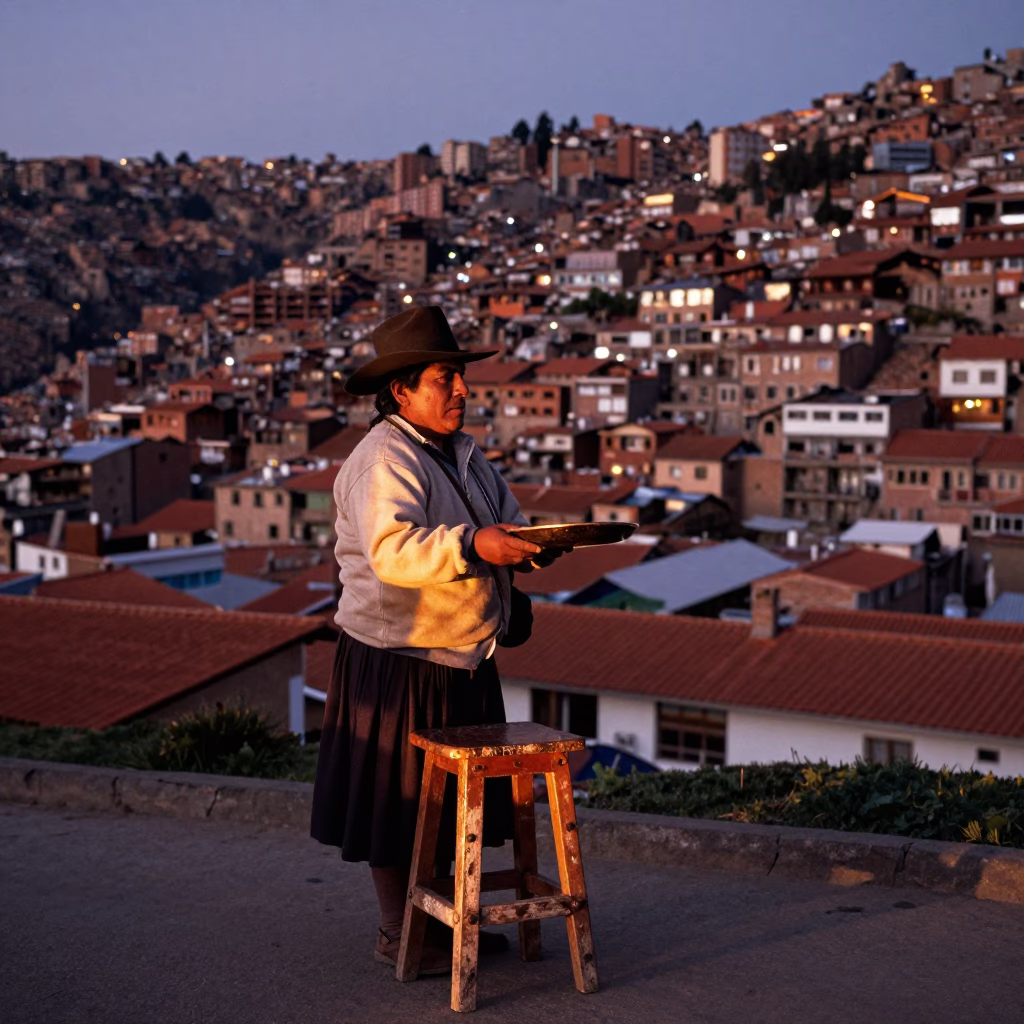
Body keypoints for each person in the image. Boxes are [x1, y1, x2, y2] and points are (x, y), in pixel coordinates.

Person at [310, 306, 559, 975]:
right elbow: (394, 553)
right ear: (401, 389)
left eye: (459, 379)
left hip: (464, 652)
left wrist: (529, 549)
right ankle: (401, 933)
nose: (461, 390)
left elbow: (504, 519)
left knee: (448, 808)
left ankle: (441, 919)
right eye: (445, 379)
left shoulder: (465, 455)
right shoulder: (381, 461)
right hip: (399, 658)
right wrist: (479, 544)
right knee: (397, 806)